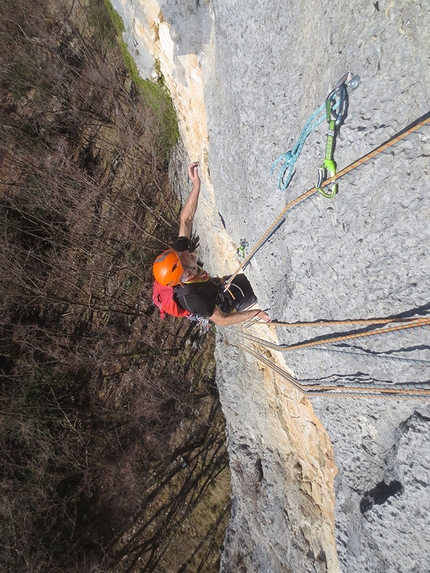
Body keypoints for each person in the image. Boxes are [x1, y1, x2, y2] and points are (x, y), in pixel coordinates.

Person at [153, 162, 270, 326]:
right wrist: (255, 313)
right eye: (183, 260)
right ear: (184, 276)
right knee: (264, 290)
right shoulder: (192, 299)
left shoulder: (177, 259)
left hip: (216, 286)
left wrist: (196, 185)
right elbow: (222, 320)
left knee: (257, 278)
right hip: (222, 302)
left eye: (180, 254)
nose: (185, 253)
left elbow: (185, 221)